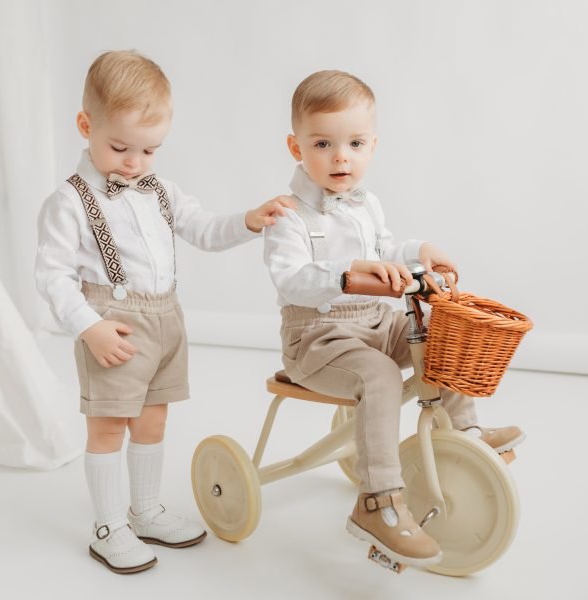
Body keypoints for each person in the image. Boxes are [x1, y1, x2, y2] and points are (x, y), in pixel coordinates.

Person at [35, 50, 293, 574]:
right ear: (86, 126)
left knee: (153, 418)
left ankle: (145, 508)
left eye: (150, 150)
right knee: (109, 425)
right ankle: (108, 525)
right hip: (114, 324)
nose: (134, 162)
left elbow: (203, 229)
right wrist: (91, 327)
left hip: (167, 320)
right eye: (120, 147)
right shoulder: (69, 202)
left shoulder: (160, 191)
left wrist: (247, 220)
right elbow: (52, 277)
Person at [263, 70, 524, 568]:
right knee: (380, 375)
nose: (341, 156)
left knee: (440, 336)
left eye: (355, 143)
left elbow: (385, 249)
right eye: (323, 143)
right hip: (317, 337)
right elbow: (290, 278)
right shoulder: (287, 215)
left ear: (372, 146)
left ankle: (464, 431)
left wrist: (417, 251)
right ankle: (377, 502)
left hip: (375, 323)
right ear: (296, 148)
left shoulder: (366, 205)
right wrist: (346, 274)